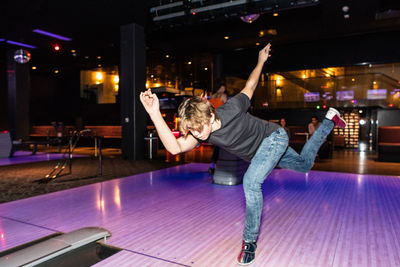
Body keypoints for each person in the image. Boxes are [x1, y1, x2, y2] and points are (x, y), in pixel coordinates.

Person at [140, 44, 346, 266]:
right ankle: (330, 120)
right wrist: (153, 113)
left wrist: (260, 61)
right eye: (193, 131)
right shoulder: (201, 133)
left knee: (250, 182)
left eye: (200, 128)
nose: (198, 134)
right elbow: (175, 147)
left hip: (274, 137)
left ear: (210, 116)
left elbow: (250, 85)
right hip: (261, 153)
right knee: (305, 165)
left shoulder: (231, 109)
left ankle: (249, 242)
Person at [208, 82, 228, 174]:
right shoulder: (223, 96)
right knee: (222, 145)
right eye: (224, 87)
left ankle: (212, 165)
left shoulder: (212, 96)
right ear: (221, 87)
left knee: (217, 145)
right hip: (221, 122)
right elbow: (227, 108)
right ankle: (223, 166)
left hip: (213, 122)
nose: (225, 88)